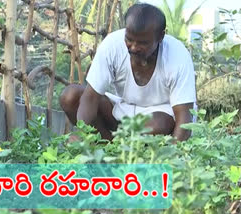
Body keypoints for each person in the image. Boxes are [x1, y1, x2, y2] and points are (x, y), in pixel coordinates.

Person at [60, 3, 196, 142]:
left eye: (143, 43)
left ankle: (134, 152)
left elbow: (184, 118)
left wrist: (170, 158)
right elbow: (90, 97)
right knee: (71, 97)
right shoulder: (112, 45)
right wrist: (81, 134)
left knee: (157, 126)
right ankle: (109, 147)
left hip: (162, 114)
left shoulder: (177, 56)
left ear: (161, 36)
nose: (134, 47)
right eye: (129, 39)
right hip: (125, 109)